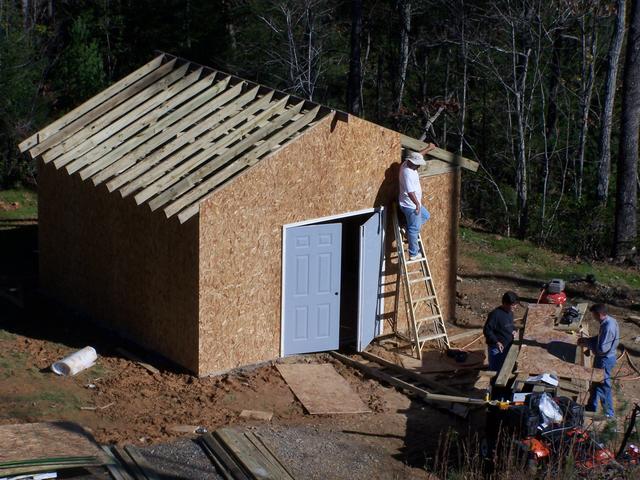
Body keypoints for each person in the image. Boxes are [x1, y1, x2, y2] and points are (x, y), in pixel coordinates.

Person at [578, 303, 619, 417]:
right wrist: (589, 339)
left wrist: (588, 344)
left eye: (594, 315)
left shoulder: (608, 327)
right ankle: (591, 407)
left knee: (603, 385)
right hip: (603, 358)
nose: (593, 317)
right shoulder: (608, 321)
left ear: (599, 314)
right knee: (595, 383)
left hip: (604, 360)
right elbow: (600, 338)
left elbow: (602, 349)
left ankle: (608, 413)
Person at [398, 143, 435, 260]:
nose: (419, 167)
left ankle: (407, 228)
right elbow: (410, 192)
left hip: (412, 204)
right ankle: (413, 254)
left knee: (426, 216)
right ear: (413, 163)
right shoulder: (407, 173)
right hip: (410, 205)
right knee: (414, 229)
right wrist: (417, 204)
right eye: (418, 165)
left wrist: (429, 148)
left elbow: (419, 155)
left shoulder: (407, 163)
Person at [483, 291, 519, 372]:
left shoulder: (510, 313)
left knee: (505, 367)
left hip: (507, 346)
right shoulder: (495, 314)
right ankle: (493, 384)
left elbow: (511, 325)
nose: (515, 307)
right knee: (495, 369)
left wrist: (514, 330)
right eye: (513, 305)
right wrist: (496, 342)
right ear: (505, 303)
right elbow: (487, 330)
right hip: (496, 348)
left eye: (516, 304)